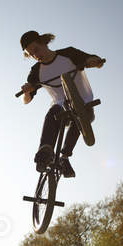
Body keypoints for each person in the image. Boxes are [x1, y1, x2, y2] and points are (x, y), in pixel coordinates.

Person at [19, 30, 105, 178]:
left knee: (84, 114)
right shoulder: (36, 71)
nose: (35, 55)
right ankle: (45, 151)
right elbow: (26, 101)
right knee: (53, 111)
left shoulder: (68, 54)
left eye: (36, 50)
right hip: (60, 105)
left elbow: (90, 59)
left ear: (43, 42)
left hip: (82, 100)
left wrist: (94, 61)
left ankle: (64, 158)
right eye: (31, 54)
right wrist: (27, 92)